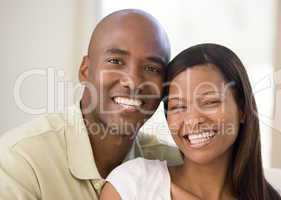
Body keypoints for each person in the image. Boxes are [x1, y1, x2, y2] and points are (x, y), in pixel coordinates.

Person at [0, 9, 182, 199]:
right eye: (115, 61)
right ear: (85, 71)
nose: (134, 82)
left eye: (151, 68)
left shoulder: (171, 163)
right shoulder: (21, 159)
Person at [99, 43, 281, 200]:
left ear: (243, 110)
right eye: (177, 107)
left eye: (210, 102)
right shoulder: (132, 184)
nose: (193, 120)